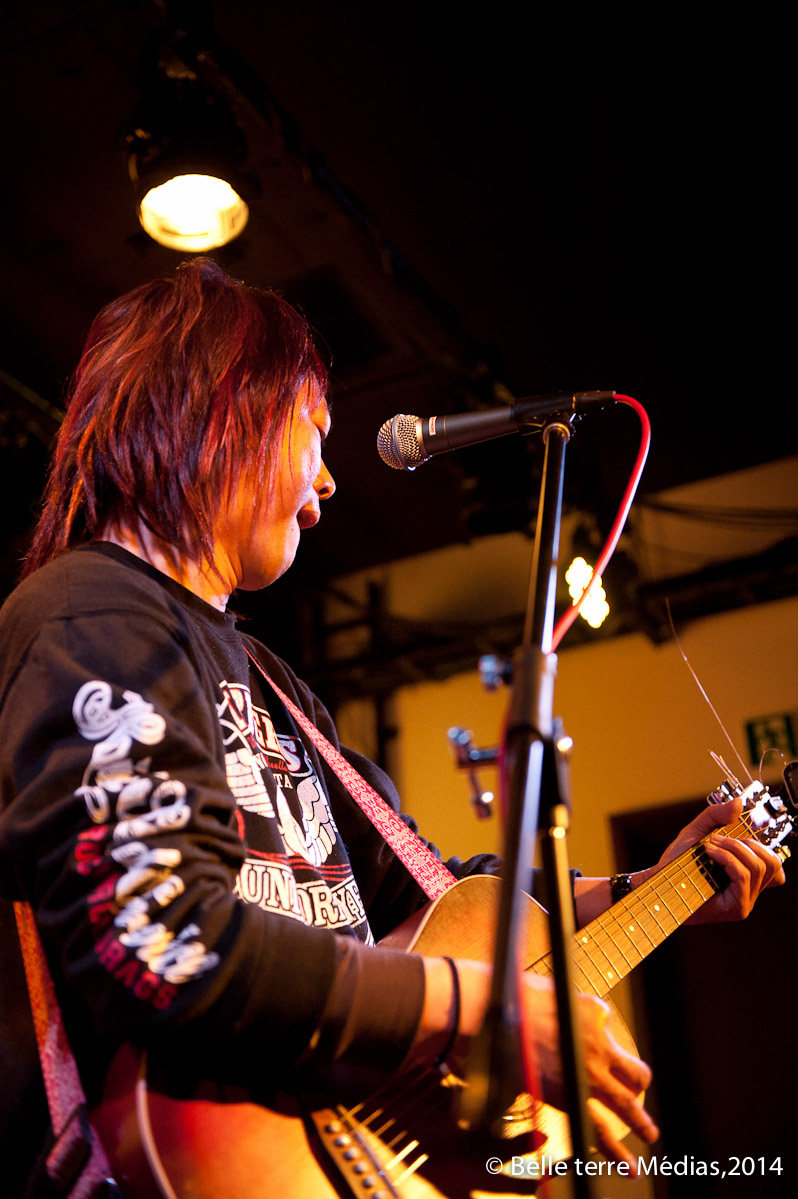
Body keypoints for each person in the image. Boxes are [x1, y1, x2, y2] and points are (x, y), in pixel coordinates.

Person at [0, 259, 784, 1197]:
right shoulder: (91, 611)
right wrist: (475, 1005)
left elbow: (428, 889)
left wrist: (643, 886)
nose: (328, 481)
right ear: (228, 409)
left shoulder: (272, 682)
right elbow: (163, 942)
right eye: (316, 431)